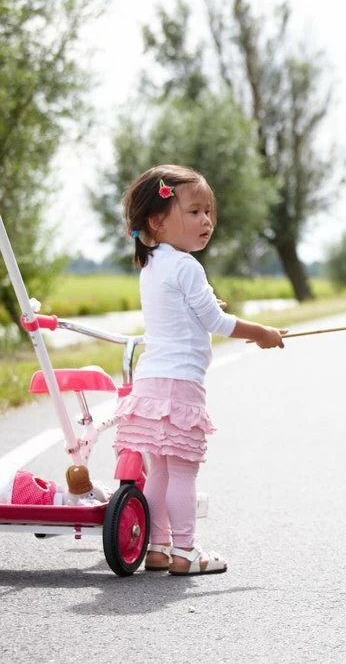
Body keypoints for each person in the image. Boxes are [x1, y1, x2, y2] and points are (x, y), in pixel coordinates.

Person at [113, 165, 286, 575]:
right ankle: (187, 552)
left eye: (208, 212)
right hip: (180, 385)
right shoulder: (188, 267)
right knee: (184, 471)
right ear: (158, 221)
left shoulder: (153, 266)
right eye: (194, 212)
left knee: (159, 469)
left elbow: (180, 312)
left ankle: (158, 547)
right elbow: (217, 324)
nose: (206, 220)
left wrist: (207, 306)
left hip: (152, 381)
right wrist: (260, 331)